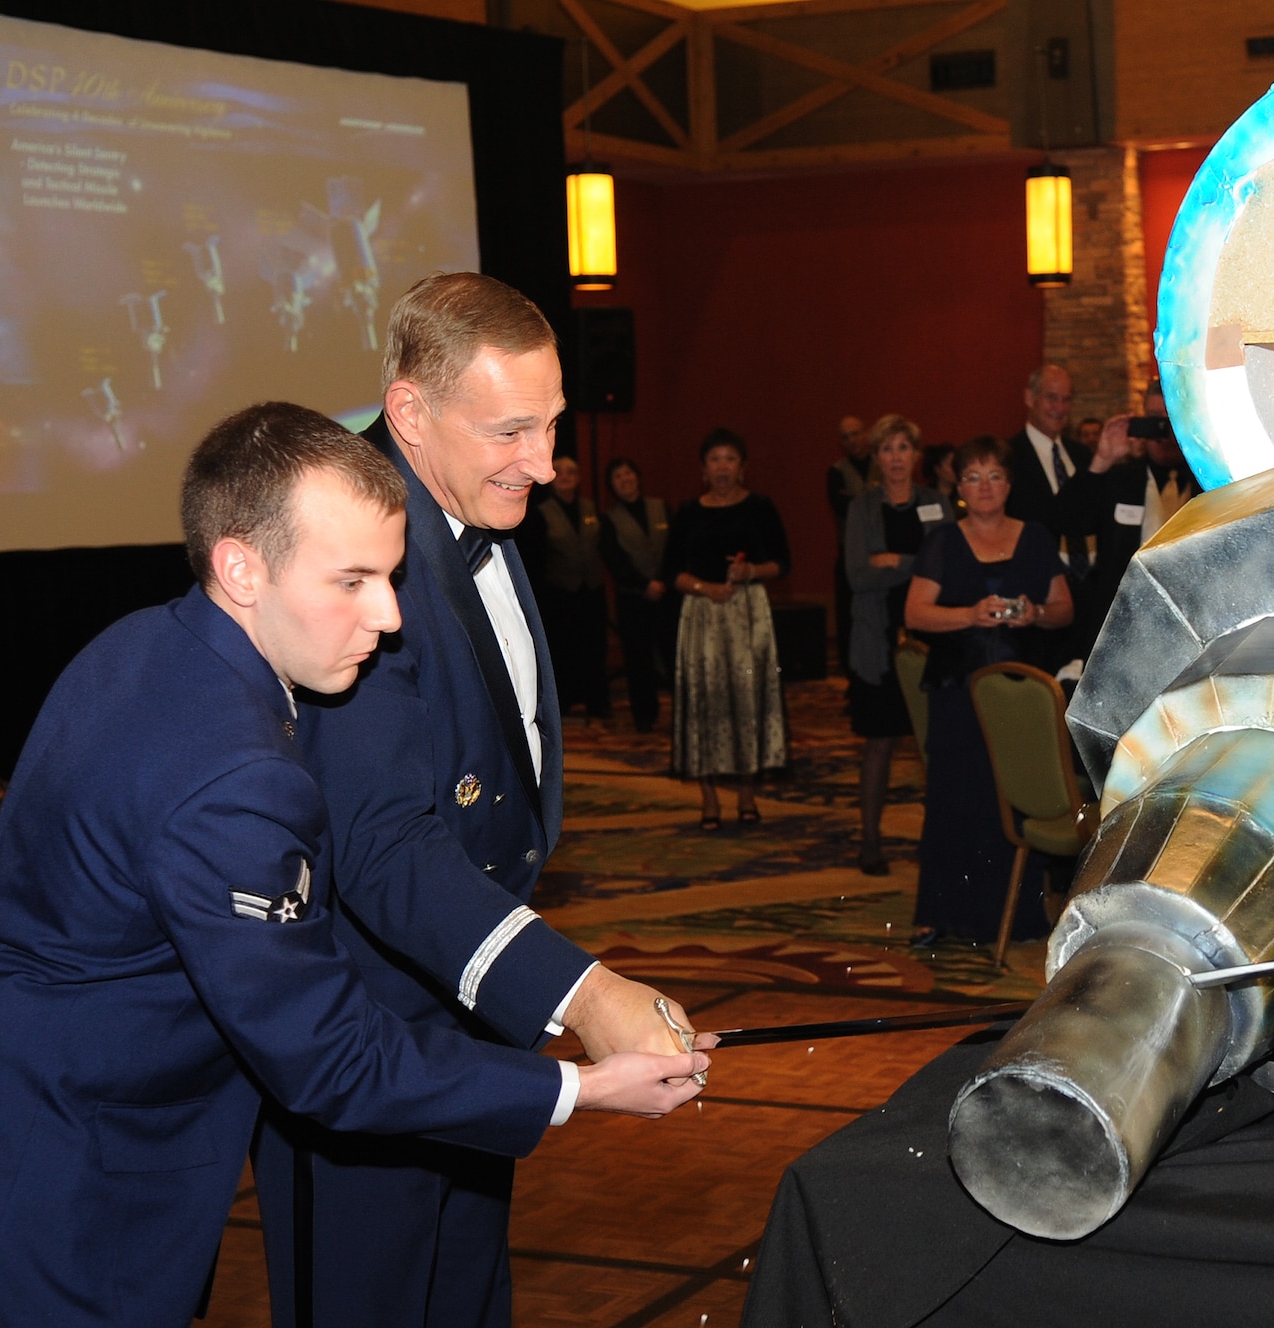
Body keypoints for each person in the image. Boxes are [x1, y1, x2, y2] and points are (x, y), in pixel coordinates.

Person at [0, 403, 710, 1327]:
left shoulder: (146, 643)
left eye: (392, 577)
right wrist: (578, 1088)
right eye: (351, 581)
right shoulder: (239, 779)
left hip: (15, 1101)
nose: (389, 617)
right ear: (241, 566)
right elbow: (329, 1059)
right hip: (70, 1174)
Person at [251, 274, 705, 1328]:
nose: (545, 464)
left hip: (471, 1011)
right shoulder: (347, 551)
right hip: (364, 1040)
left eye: (550, 426)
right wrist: (581, 994)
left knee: (462, 1293)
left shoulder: (470, 504)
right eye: (510, 430)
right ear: (409, 414)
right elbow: (383, 849)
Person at [904, 436, 1072, 945]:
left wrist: (1035, 613)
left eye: (994, 476)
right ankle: (940, 915)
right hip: (959, 690)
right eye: (973, 477)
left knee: (1014, 796)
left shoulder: (1036, 537)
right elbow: (915, 613)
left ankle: (1013, 916)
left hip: (1021, 695)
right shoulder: (942, 541)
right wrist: (969, 615)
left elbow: (1064, 608)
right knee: (956, 798)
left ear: (1008, 484)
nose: (984, 487)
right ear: (958, 487)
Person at [664, 427, 792, 830]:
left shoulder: (760, 507)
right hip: (701, 615)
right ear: (703, 469)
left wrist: (750, 570)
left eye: (730, 459)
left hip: (748, 614)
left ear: (743, 468)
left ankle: (748, 794)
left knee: (747, 700)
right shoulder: (687, 512)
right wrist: (706, 588)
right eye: (714, 460)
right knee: (704, 701)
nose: (722, 467)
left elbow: (782, 563)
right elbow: (671, 573)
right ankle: (709, 798)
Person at [843, 414, 955, 875]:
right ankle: (869, 841)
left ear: (916, 455)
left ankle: (941, 842)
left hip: (930, 638)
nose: (895, 458)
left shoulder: (937, 503)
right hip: (877, 638)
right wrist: (918, 565)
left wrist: (895, 560)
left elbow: (947, 568)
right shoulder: (862, 508)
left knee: (937, 746)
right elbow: (858, 575)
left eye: (903, 449)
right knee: (881, 745)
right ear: (876, 458)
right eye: (886, 449)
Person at [1003, 365, 1128, 670]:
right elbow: (1048, 518)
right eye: (1051, 398)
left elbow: (1094, 520)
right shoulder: (1009, 457)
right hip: (1038, 602)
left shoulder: (1083, 456)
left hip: (1089, 600)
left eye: (1066, 400)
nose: (1060, 408)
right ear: (1029, 398)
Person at [1074, 390, 1200, 659]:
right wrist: (1102, 459)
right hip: (1118, 628)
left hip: (1188, 629)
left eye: (1171, 418)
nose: (1163, 430)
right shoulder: (1120, 480)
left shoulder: (1206, 484)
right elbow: (1071, 521)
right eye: (1155, 420)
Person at [522, 452, 612, 724]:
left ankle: (597, 703)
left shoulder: (590, 508)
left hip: (592, 592)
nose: (566, 478)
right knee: (563, 650)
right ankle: (565, 704)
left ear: (579, 478)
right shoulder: (540, 511)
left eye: (572, 473)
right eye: (560, 472)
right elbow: (537, 557)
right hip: (560, 594)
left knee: (595, 649)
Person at [598, 456, 670, 733]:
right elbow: (615, 561)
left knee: (673, 655)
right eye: (618, 477)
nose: (625, 480)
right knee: (638, 660)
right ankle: (644, 715)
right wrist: (645, 585)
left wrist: (662, 582)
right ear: (612, 486)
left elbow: (674, 550)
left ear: (638, 477)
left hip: (667, 596)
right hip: (633, 599)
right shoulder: (609, 520)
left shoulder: (661, 507)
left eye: (628, 473)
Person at [827, 415, 870, 674]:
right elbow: (842, 507)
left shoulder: (882, 463)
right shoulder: (836, 472)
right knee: (848, 619)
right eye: (846, 436)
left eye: (856, 433)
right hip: (850, 555)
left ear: (866, 433)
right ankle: (849, 674)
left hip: (882, 553)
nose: (852, 440)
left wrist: (856, 500)